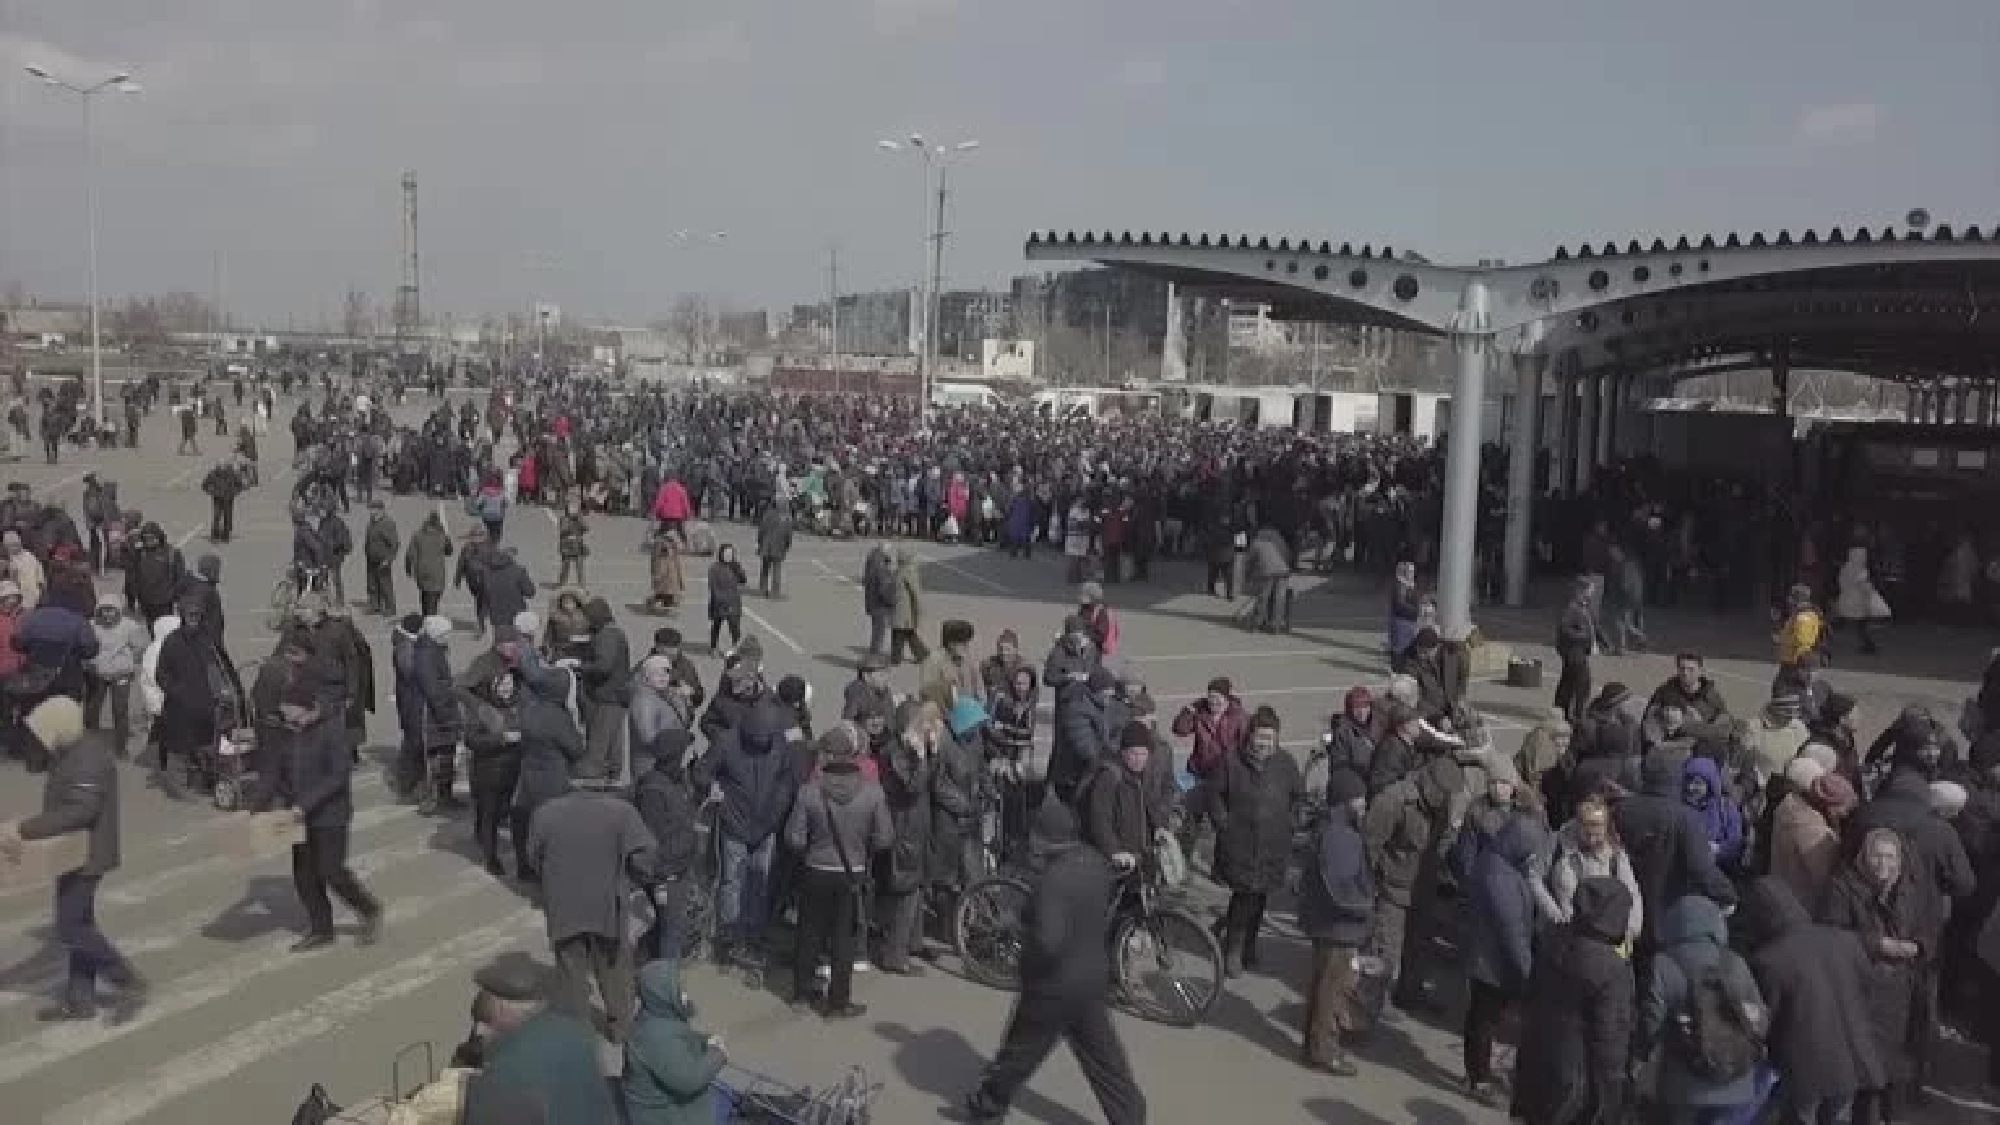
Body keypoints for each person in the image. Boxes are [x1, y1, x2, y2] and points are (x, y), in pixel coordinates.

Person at [961, 798, 1146, 1125]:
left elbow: (1048, 940)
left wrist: (1026, 961)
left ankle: (987, 1106)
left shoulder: (1052, 880)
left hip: (1052, 985)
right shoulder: (1094, 863)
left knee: (1020, 1051)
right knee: (1106, 1062)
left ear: (1044, 838)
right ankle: (1130, 1117)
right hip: (1091, 978)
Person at [0, 697, 148, 1023]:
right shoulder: (72, 749)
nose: (41, 740)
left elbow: (80, 811)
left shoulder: (88, 757)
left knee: (70, 927)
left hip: (87, 854)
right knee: (79, 924)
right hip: (70, 851)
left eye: (44, 732)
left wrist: (24, 829)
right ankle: (80, 1001)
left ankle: (125, 979)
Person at [529, 777, 656, 1044]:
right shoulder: (623, 813)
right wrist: (632, 879)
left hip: (564, 906)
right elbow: (645, 857)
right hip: (607, 907)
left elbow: (534, 857)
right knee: (614, 968)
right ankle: (621, 1030)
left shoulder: (545, 812)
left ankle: (577, 1035)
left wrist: (554, 881)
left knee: (570, 970)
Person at [784, 725, 893, 1018]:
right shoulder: (872, 793)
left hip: (815, 869)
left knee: (809, 933)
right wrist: (863, 848)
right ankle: (838, 1002)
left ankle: (802, 994)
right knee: (845, 937)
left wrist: (812, 847)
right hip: (852, 872)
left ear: (826, 756)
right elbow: (885, 839)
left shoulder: (809, 792)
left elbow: (794, 839)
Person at [1510, 876, 1636, 1125]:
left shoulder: (1550, 940)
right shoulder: (1613, 969)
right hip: (1576, 1081)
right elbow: (1609, 1038)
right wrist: (1613, 1093)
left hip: (1534, 1057)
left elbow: (1531, 994)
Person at [275, 671, 384, 952]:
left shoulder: (332, 731)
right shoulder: (291, 730)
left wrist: (304, 804)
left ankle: (369, 909)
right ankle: (321, 928)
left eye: (293, 715)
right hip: (297, 815)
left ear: (309, 708)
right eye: (285, 716)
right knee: (304, 876)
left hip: (329, 815)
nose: (290, 721)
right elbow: (282, 767)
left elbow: (337, 777)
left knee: (331, 871)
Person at [1639, 895, 1769, 1125]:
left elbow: (1651, 1022)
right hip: (1735, 1074)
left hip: (1684, 1080)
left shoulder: (1663, 964)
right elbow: (1760, 1019)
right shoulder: (1734, 962)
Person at [460, 955, 619, 1125]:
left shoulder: (508, 1074)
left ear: (503, 1010)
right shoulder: (573, 1031)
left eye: (486, 1019)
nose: (479, 1030)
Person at [1208, 707, 1304, 977]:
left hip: (1273, 845)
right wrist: (1223, 824)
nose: (1264, 743)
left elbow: (1298, 796)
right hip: (1240, 844)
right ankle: (1233, 950)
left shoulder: (1285, 763)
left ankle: (1249, 946)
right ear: (1250, 735)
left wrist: (1290, 824)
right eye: (1260, 737)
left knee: (1260, 898)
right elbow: (1214, 794)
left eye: (1269, 738)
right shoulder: (1231, 761)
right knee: (1243, 897)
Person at [1297, 769, 1372, 1076]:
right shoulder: (1340, 837)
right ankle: (1325, 1051)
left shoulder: (1334, 830)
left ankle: (1315, 1046)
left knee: (1323, 986)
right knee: (1332, 990)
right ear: (1345, 801)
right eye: (1359, 798)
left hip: (1330, 923)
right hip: (1338, 926)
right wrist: (1365, 907)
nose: (1364, 804)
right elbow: (1340, 888)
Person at [622, 958, 726, 1125]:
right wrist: (718, 1055)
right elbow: (689, 1080)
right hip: (657, 1112)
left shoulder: (657, 1016)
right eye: (679, 989)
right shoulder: (656, 1036)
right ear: (663, 995)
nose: (685, 993)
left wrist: (702, 1040)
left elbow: (679, 1036)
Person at [84, 595, 148, 760]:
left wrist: (127, 663)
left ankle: (121, 748)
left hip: (121, 674)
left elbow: (139, 647)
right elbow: (85, 647)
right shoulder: (92, 625)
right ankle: (90, 746)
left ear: (118, 610)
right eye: (104, 610)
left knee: (120, 710)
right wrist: (91, 664)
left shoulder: (130, 626)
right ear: (99, 610)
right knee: (92, 710)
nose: (107, 614)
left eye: (111, 610)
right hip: (97, 674)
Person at [706, 544, 746, 653]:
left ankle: (735, 647)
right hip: (718, 603)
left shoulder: (736, 566)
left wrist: (739, 570)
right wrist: (722, 601)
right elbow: (713, 587)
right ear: (721, 554)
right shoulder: (714, 568)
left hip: (734, 602)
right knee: (716, 625)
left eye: (730, 553)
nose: (728, 556)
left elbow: (743, 581)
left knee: (735, 627)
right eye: (726, 553)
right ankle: (713, 647)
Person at [362, 500, 400, 616]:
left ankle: (390, 608)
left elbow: (394, 544)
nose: (371, 511)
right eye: (371, 509)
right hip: (371, 558)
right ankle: (375, 606)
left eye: (373, 509)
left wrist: (388, 559)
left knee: (385, 585)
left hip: (383, 560)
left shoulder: (388, 524)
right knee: (372, 584)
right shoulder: (371, 522)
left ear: (381, 510)